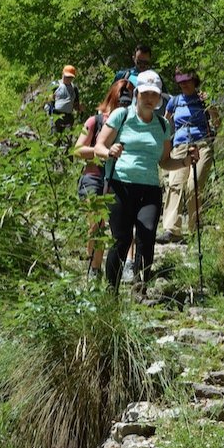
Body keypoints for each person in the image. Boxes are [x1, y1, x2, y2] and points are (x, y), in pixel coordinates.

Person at [94, 69, 195, 295]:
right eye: (146, 93)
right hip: (121, 185)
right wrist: (110, 150)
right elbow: (100, 146)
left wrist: (186, 161)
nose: (150, 99)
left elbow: (165, 162)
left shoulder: (162, 126)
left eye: (155, 95)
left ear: (159, 97)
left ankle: (141, 289)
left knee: (147, 235)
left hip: (149, 188)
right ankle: (112, 291)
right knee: (121, 240)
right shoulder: (122, 116)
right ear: (137, 93)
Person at [74, 78, 134, 278]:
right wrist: (102, 151)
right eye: (122, 98)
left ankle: (125, 265)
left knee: (125, 223)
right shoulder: (94, 120)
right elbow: (77, 149)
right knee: (96, 224)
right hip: (94, 177)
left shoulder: (133, 122)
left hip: (120, 178)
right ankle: (95, 268)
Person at [159, 69, 220, 244]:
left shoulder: (203, 99)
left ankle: (195, 229)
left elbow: (217, 122)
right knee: (175, 184)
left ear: (194, 81)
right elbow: (165, 123)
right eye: (180, 82)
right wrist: (164, 144)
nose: (183, 84)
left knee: (194, 185)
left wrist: (210, 104)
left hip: (201, 144)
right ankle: (172, 229)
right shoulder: (174, 101)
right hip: (179, 145)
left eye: (187, 81)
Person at [51, 65, 82, 134]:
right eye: (67, 76)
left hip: (68, 117)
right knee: (55, 138)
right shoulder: (55, 85)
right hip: (56, 116)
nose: (68, 79)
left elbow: (76, 104)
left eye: (70, 77)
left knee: (67, 139)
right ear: (62, 74)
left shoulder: (74, 88)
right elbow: (47, 99)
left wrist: (80, 108)